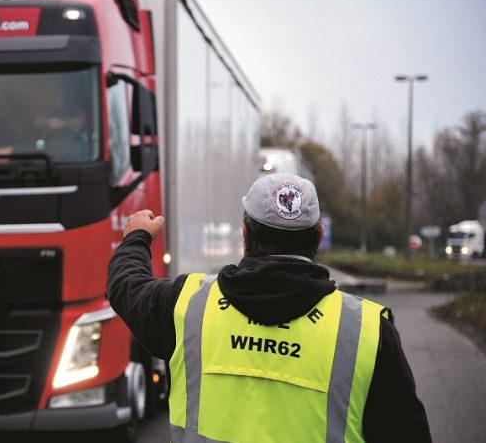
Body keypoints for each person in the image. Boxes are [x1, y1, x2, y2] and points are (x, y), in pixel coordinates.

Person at [107, 173, 431, 443]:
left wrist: (137, 237)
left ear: (244, 234)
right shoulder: (365, 332)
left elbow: (126, 286)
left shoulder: (188, 306)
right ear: (318, 237)